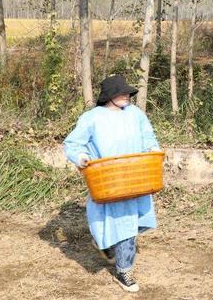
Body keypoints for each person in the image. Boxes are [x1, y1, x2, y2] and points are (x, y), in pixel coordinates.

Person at [64, 75, 160, 293]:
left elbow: (148, 137)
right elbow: (73, 143)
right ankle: (123, 270)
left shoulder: (135, 114)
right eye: (121, 92)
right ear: (109, 96)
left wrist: (153, 150)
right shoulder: (92, 118)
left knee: (135, 222)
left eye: (128, 92)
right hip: (108, 180)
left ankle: (108, 246)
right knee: (120, 224)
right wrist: (81, 157)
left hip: (136, 176)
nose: (127, 95)